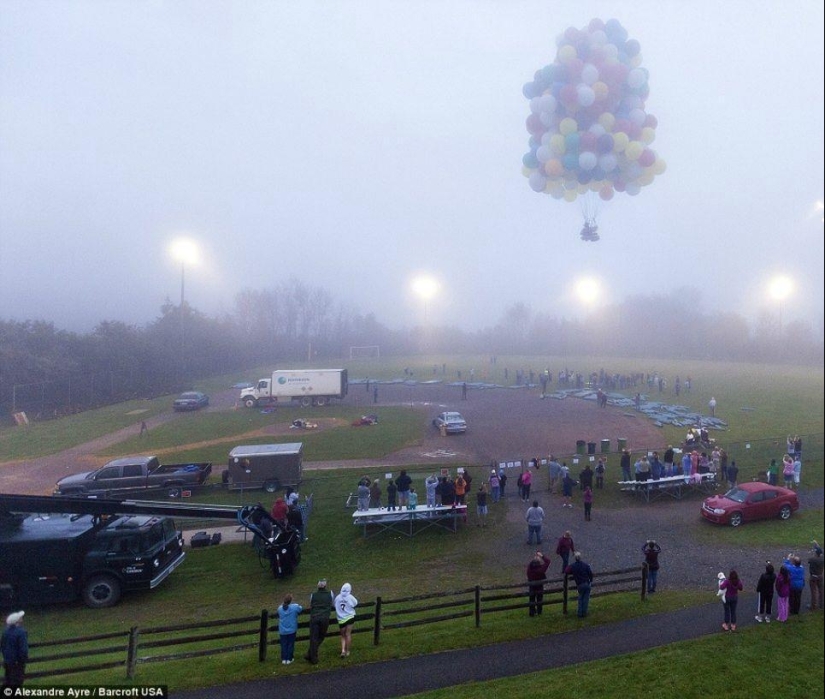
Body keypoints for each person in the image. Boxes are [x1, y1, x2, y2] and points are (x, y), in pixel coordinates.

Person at [305, 579, 332, 664]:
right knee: (321, 636)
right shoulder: (330, 594)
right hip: (324, 618)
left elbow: (311, 604)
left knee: (314, 637)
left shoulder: (313, 595)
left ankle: (311, 654)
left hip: (314, 617)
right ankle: (313, 656)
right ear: (325, 586)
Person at [1, 611, 28, 688]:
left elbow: (3, 646)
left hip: (8, 661)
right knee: (17, 682)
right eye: (20, 618)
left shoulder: (5, 632)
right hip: (17, 662)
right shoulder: (21, 632)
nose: (22, 619)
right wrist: (23, 659)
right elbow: (23, 649)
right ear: (17, 621)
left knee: (7, 681)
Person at [565, 552, 594, 618]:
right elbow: (590, 573)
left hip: (580, 584)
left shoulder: (573, 566)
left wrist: (570, 568)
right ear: (580, 558)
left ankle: (579, 613)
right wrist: (590, 581)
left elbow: (566, 571)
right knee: (586, 599)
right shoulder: (585, 565)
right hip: (587, 583)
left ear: (575, 558)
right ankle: (584, 613)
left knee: (580, 598)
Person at [277, 594, 303, 665]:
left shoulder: (279, 608)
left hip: (282, 630)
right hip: (292, 629)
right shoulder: (295, 607)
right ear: (290, 600)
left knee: (284, 644)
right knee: (290, 644)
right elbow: (300, 608)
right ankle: (289, 658)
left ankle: (284, 659)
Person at [334, 582, 358, 658]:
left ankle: (343, 651)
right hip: (350, 617)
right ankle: (347, 651)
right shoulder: (350, 597)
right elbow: (355, 603)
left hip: (341, 619)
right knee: (348, 634)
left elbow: (335, 604)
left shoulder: (338, 597)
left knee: (343, 636)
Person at [526, 551, 551, 616]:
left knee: (532, 598)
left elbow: (531, 564)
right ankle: (539, 611)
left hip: (531, 584)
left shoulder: (530, 568)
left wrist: (535, 558)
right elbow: (548, 561)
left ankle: (532, 612)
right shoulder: (540, 570)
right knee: (539, 598)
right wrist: (541, 556)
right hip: (539, 585)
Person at [808, 542, 823, 611]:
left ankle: (813, 606)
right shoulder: (822, 559)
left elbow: (810, 560)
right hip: (820, 576)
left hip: (813, 577)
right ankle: (821, 605)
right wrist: (817, 545)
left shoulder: (812, 559)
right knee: (821, 591)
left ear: (816, 553)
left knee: (814, 592)